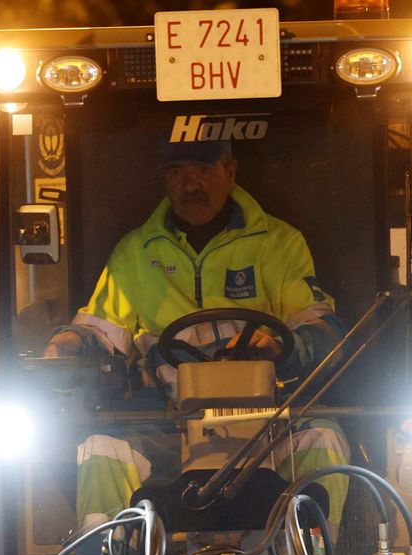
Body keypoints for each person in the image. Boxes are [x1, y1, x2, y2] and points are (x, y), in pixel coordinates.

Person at [43, 138, 349, 532]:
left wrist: (279, 346)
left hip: (267, 423)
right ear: (164, 180)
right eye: (177, 172)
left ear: (230, 172)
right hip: (166, 423)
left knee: (323, 438)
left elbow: (319, 326)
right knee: (102, 448)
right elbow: (101, 329)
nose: (190, 184)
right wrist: (68, 344)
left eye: (203, 170)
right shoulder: (136, 252)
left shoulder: (279, 243)